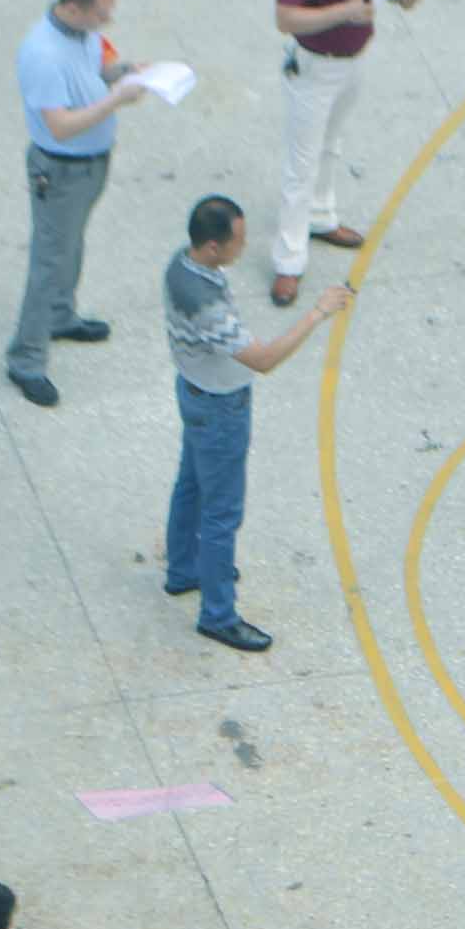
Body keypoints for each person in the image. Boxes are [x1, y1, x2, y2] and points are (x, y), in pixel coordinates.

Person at [167, 193, 356, 651]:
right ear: (212, 247)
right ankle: (217, 613)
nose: (244, 247)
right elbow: (264, 359)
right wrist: (319, 312)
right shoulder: (207, 306)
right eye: (238, 240)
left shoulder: (180, 264)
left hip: (192, 389)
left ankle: (183, 569)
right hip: (219, 408)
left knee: (191, 483)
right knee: (222, 513)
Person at [5, 0, 157, 408]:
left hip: (91, 165)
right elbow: (59, 126)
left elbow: (97, 67)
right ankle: (25, 358)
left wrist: (124, 72)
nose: (106, 22)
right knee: (49, 260)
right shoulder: (43, 54)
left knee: (71, 246)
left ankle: (59, 315)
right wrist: (116, 99)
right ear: (73, 7)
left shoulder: (82, 34)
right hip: (62, 169)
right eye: (101, 13)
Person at [267, 0, 406, 306]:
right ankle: (288, 261)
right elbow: (286, 19)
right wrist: (344, 11)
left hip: (353, 59)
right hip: (315, 66)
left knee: (333, 144)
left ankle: (322, 216)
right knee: (301, 162)